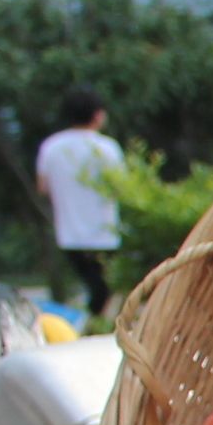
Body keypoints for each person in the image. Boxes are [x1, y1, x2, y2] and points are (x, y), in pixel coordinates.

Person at [35, 86, 127, 316]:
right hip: (105, 233)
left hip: (69, 233)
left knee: (95, 289)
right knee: (103, 291)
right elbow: (122, 187)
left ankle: (88, 323)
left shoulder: (51, 147)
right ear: (98, 115)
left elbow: (42, 186)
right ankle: (91, 327)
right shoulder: (107, 148)